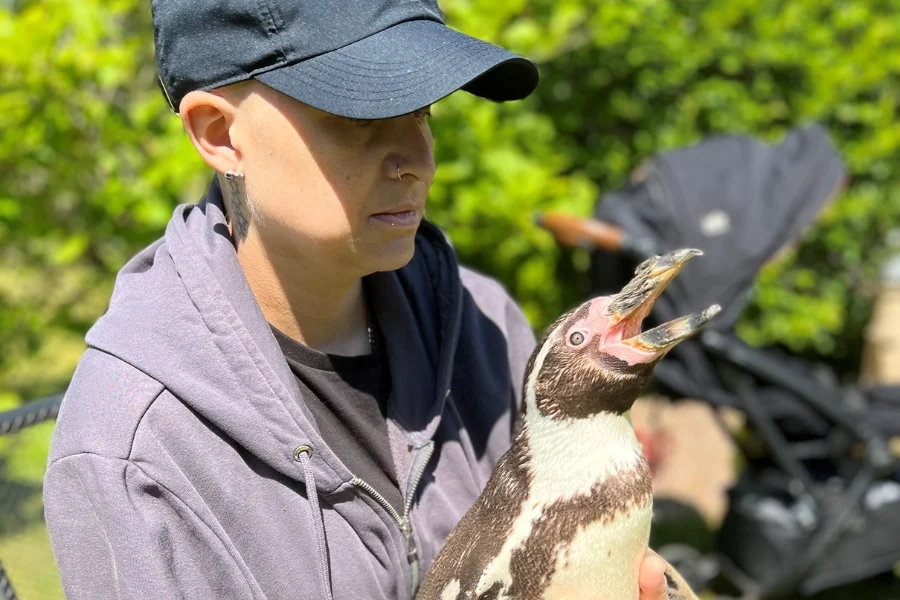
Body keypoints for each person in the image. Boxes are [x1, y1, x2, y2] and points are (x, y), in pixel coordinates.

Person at [43, 0, 673, 598]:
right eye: (359, 117)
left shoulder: (484, 326)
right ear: (219, 133)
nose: (416, 161)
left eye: (424, 110)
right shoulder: (134, 450)